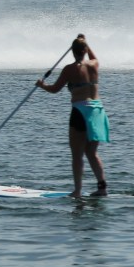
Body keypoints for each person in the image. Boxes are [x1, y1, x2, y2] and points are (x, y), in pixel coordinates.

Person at [36, 36, 110, 197]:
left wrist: (42, 86)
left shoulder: (69, 69)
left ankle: (77, 191)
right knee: (91, 152)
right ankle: (102, 187)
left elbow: (55, 89)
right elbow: (93, 56)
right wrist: (86, 43)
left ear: (72, 52)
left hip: (80, 111)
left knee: (77, 154)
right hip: (98, 111)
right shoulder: (94, 64)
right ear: (84, 51)